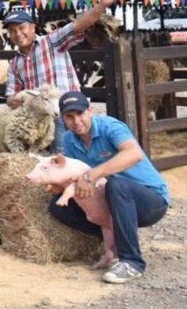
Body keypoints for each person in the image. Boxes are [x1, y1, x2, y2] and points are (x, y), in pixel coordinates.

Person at [50, 91, 169, 283]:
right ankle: (112, 240)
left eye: (80, 114)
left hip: (150, 201)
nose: (76, 121)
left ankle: (132, 262)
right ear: (63, 118)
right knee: (57, 205)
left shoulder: (110, 127)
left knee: (117, 185)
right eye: (69, 117)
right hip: (112, 204)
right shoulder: (69, 140)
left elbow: (134, 154)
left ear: (91, 111)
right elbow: (73, 176)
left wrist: (92, 175)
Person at [3, 0, 123, 153]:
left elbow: (78, 25)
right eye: (12, 31)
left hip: (72, 109)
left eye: (22, 28)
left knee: (92, 152)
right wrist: (14, 99)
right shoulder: (15, 63)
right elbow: (9, 96)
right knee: (60, 157)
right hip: (46, 118)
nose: (18, 34)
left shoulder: (51, 42)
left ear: (32, 27)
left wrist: (101, 6)